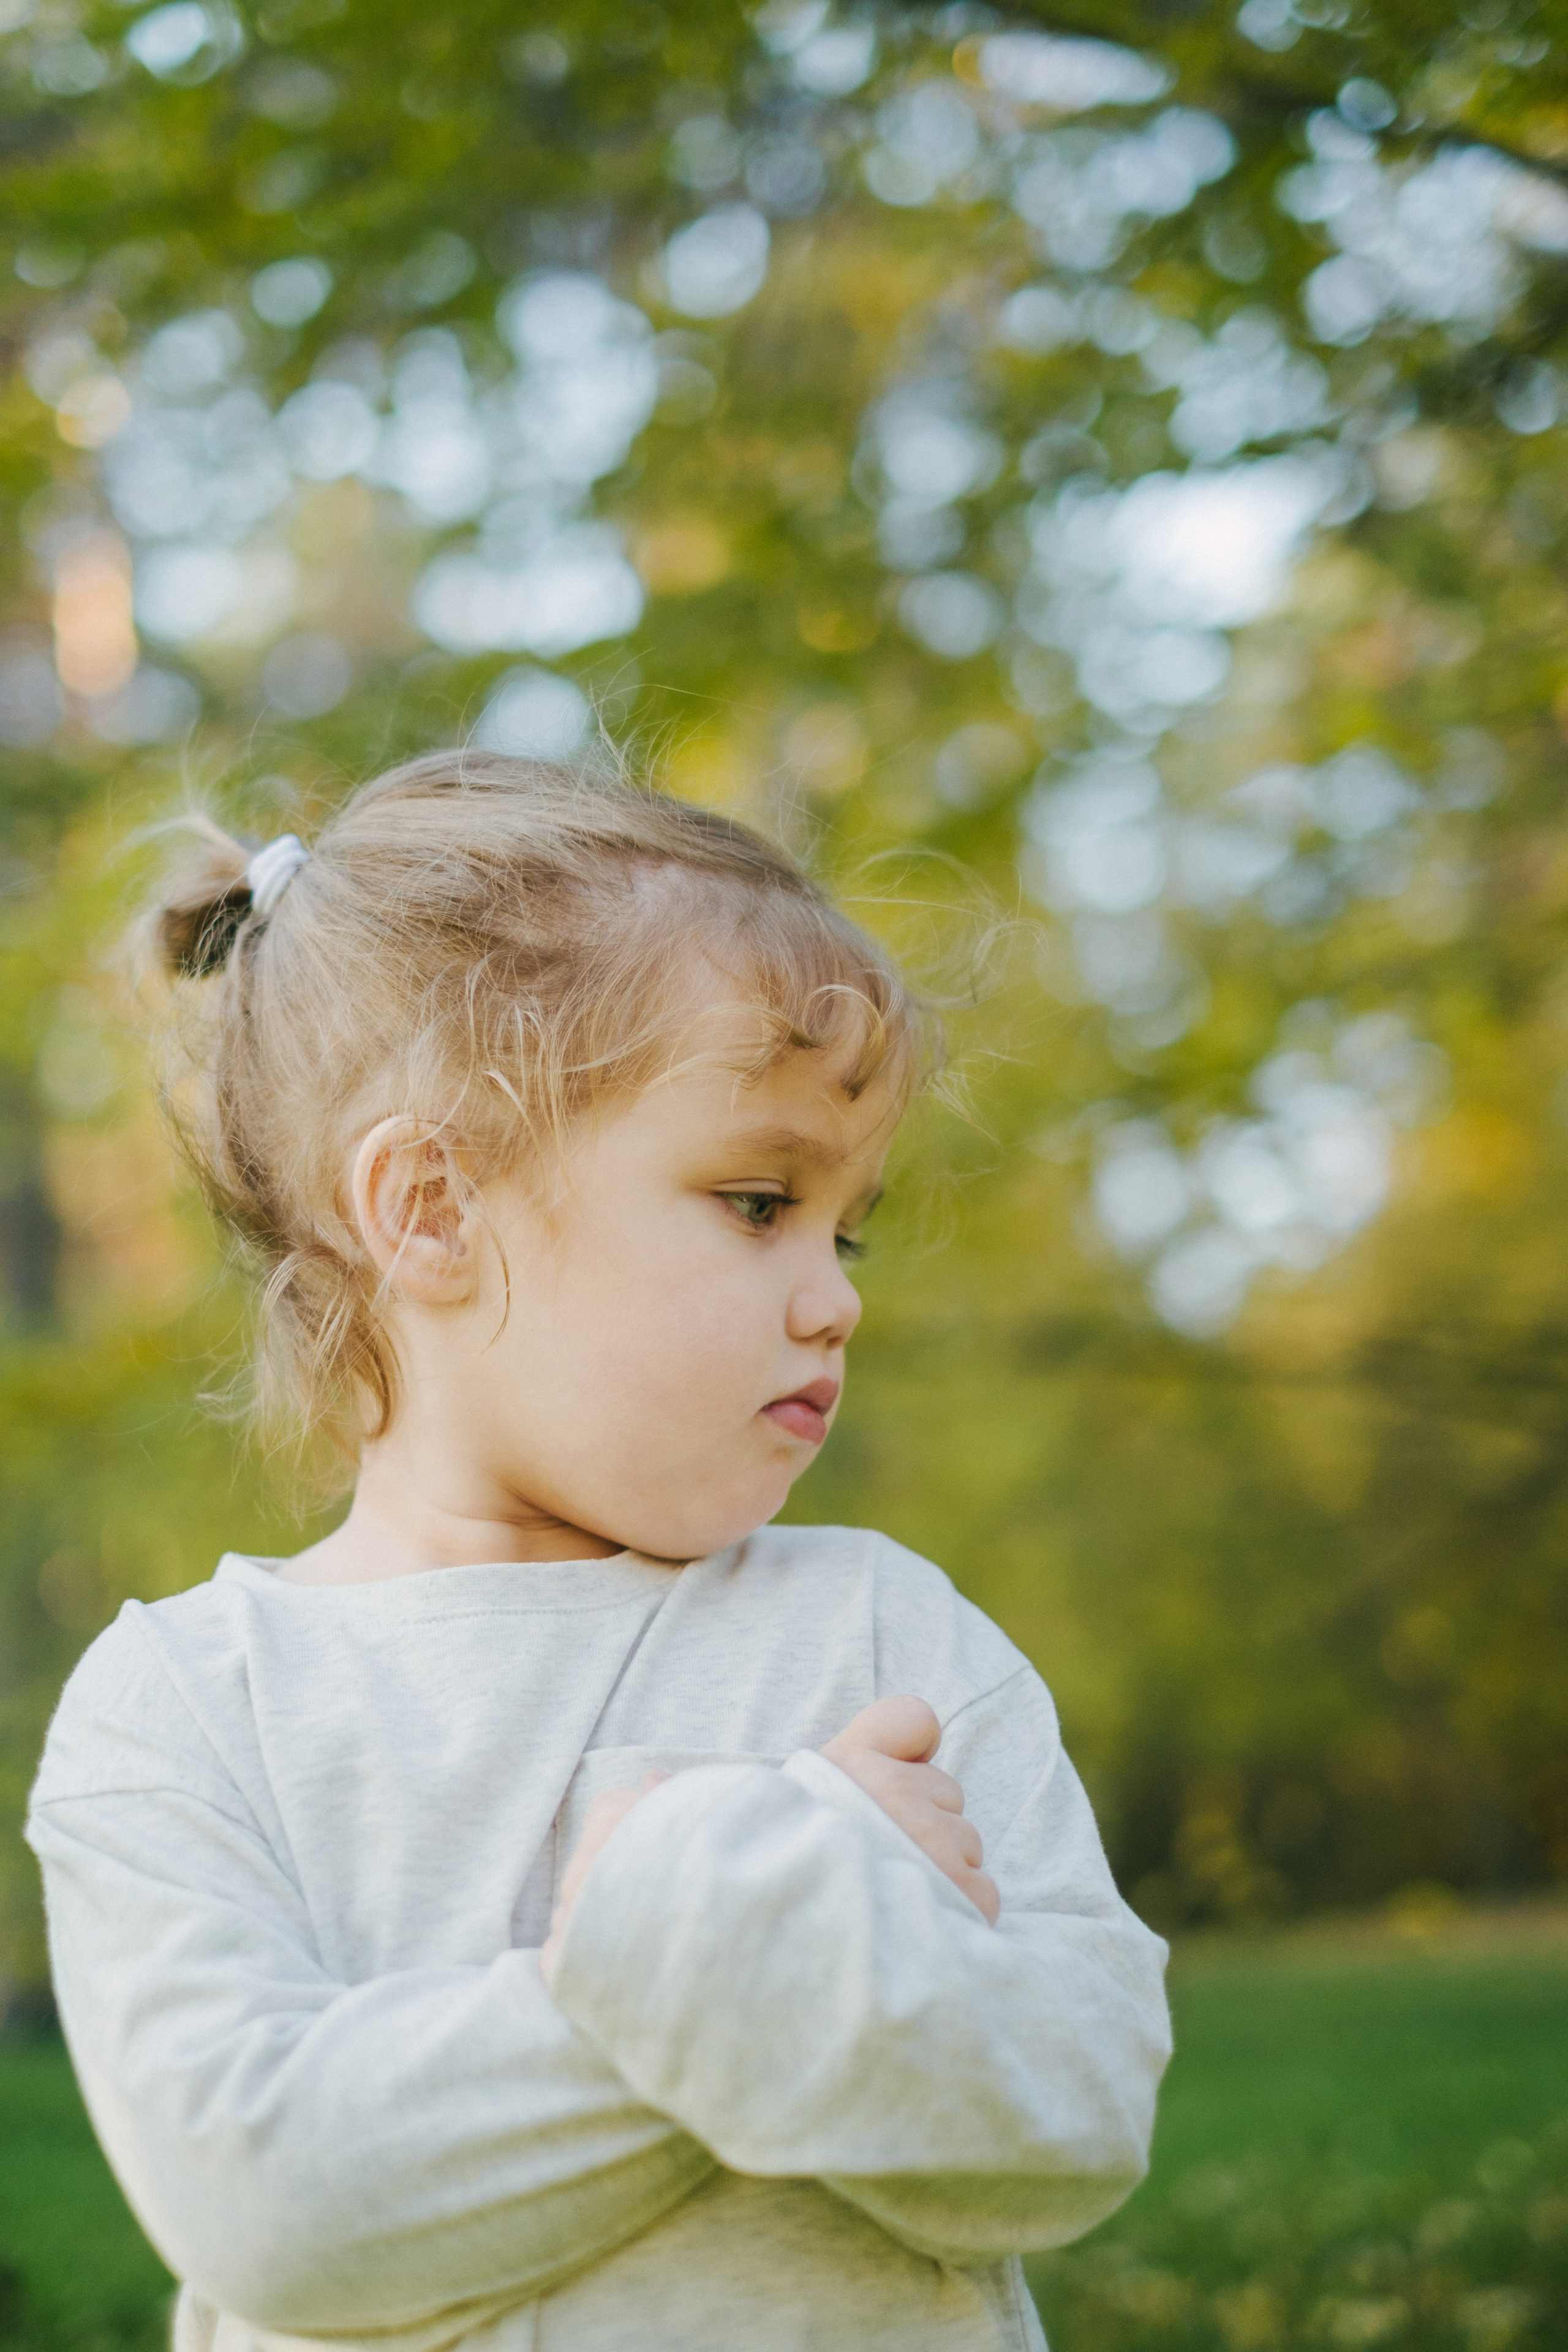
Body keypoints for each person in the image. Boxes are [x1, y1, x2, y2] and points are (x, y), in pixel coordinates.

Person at [26, 750, 1171, 2352]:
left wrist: (702, 1928)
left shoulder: (885, 1637)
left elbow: (1077, 2105)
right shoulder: (188, 1706)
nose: (838, 1297)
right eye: (758, 1199)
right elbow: (280, 2213)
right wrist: (732, 1911)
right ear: (431, 1209)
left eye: (846, 1230)